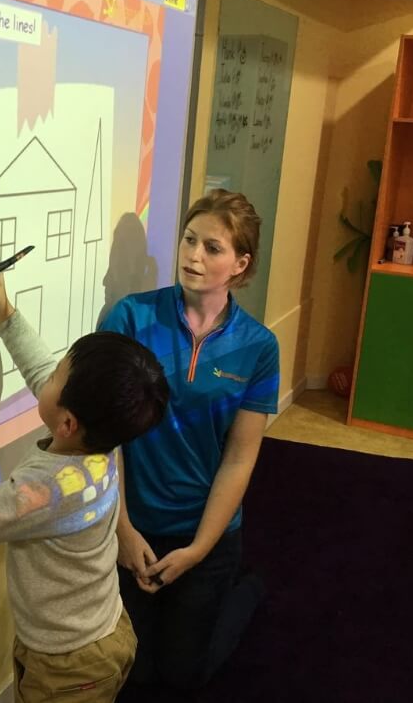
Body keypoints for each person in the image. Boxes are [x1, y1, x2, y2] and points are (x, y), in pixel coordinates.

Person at [0, 263, 170, 702]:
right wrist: (3, 314)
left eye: (60, 373)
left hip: (68, 663)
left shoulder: (47, 490)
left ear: (66, 422)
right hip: (103, 629)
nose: (50, 372)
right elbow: (41, 371)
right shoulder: (103, 440)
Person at [98, 189, 279, 696]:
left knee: (181, 676)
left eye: (213, 248)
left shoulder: (259, 347)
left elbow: (240, 458)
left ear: (240, 264)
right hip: (133, 526)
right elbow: (105, 436)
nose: (193, 256)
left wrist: (199, 549)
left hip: (205, 536)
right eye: (189, 240)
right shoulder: (131, 318)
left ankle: (242, 594)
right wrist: (123, 528)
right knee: (130, 668)